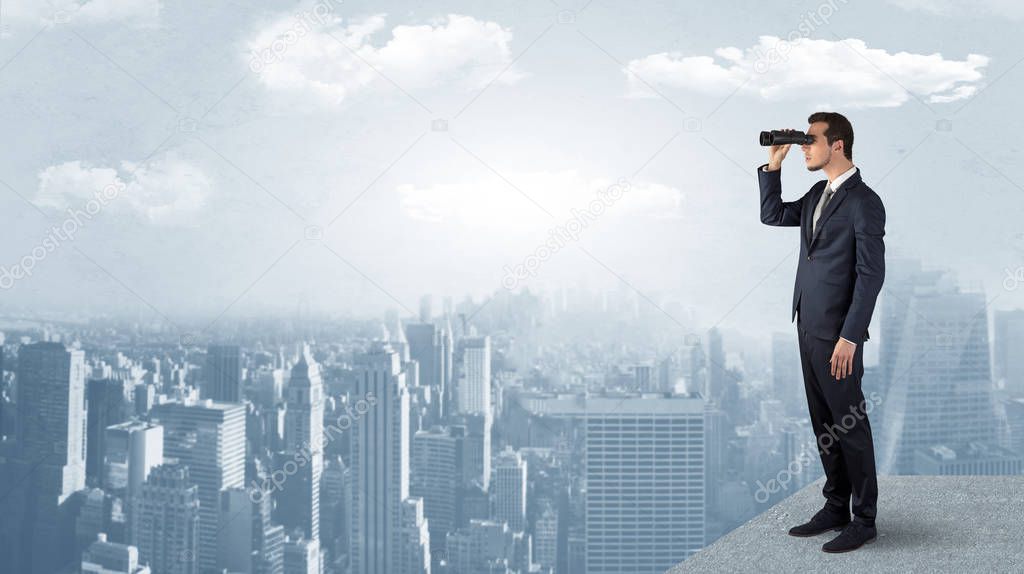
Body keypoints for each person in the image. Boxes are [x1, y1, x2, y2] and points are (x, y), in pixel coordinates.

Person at [757, 111, 884, 553]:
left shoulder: (864, 202)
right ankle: (835, 507)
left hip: (839, 336)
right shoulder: (815, 194)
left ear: (838, 145)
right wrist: (774, 163)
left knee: (850, 425)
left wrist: (851, 336)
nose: (805, 147)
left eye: (811, 140)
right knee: (824, 424)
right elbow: (772, 215)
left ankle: (864, 519)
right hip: (807, 326)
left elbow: (870, 275)